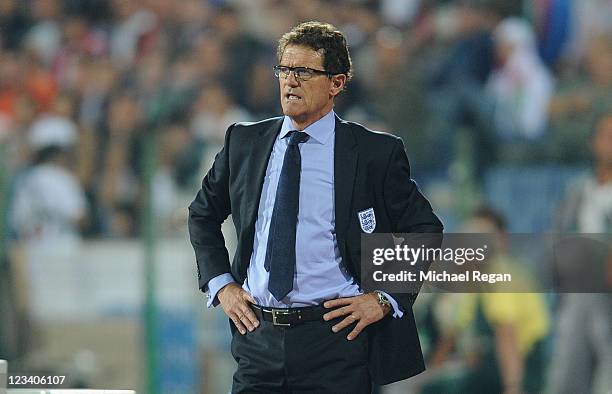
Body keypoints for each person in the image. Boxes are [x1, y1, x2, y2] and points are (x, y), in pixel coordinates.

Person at [188, 21, 443, 393]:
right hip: (257, 338)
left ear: (337, 83)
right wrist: (222, 284)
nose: (290, 81)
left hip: (335, 340)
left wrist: (385, 299)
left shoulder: (374, 153)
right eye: (285, 70)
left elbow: (425, 230)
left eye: (304, 72)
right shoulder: (244, 142)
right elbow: (202, 214)